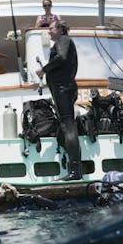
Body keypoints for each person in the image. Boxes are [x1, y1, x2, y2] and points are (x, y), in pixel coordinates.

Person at [35, 19, 81, 180]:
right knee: (65, 125)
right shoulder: (63, 41)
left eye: (51, 28)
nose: (49, 31)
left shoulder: (64, 40)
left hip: (63, 88)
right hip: (62, 88)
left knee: (68, 125)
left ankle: (75, 171)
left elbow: (61, 58)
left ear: (61, 29)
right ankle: (69, 157)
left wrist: (43, 70)